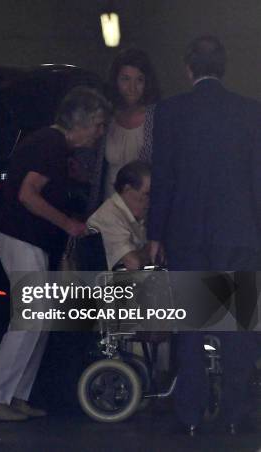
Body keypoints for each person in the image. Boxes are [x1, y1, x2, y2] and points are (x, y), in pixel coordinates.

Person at [0, 87, 111, 421]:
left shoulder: (50, 145)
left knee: (39, 317)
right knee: (31, 316)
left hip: (24, 237)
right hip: (22, 236)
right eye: (99, 124)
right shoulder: (50, 145)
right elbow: (28, 195)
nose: (100, 132)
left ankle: (15, 394)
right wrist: (68, 225)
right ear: (84, 121)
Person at [148, 35, 261, 435]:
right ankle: (234, 414)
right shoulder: (251, 112)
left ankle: (191, 414)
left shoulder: (171, 112)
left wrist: (155, 233)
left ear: (188, 68)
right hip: (240, 234)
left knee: (191, 329)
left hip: (188, 233)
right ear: (224, 67)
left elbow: (163, 178)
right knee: (239, 330)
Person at [87, 48, 161, 213]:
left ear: (147, 82)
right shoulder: (107, 116)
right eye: (125, 79)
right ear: (116, 80)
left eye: (139, 80)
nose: (132, 88)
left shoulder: (157, 118)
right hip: (108, 208)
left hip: (143, 213)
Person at [87, 160, 151, 271]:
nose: (150, 200)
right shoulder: (109, 216)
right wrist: (151, 248)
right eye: (146, 194)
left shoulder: (133, 214)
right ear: (127, 189)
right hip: (109, 285)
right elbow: (133, 264)